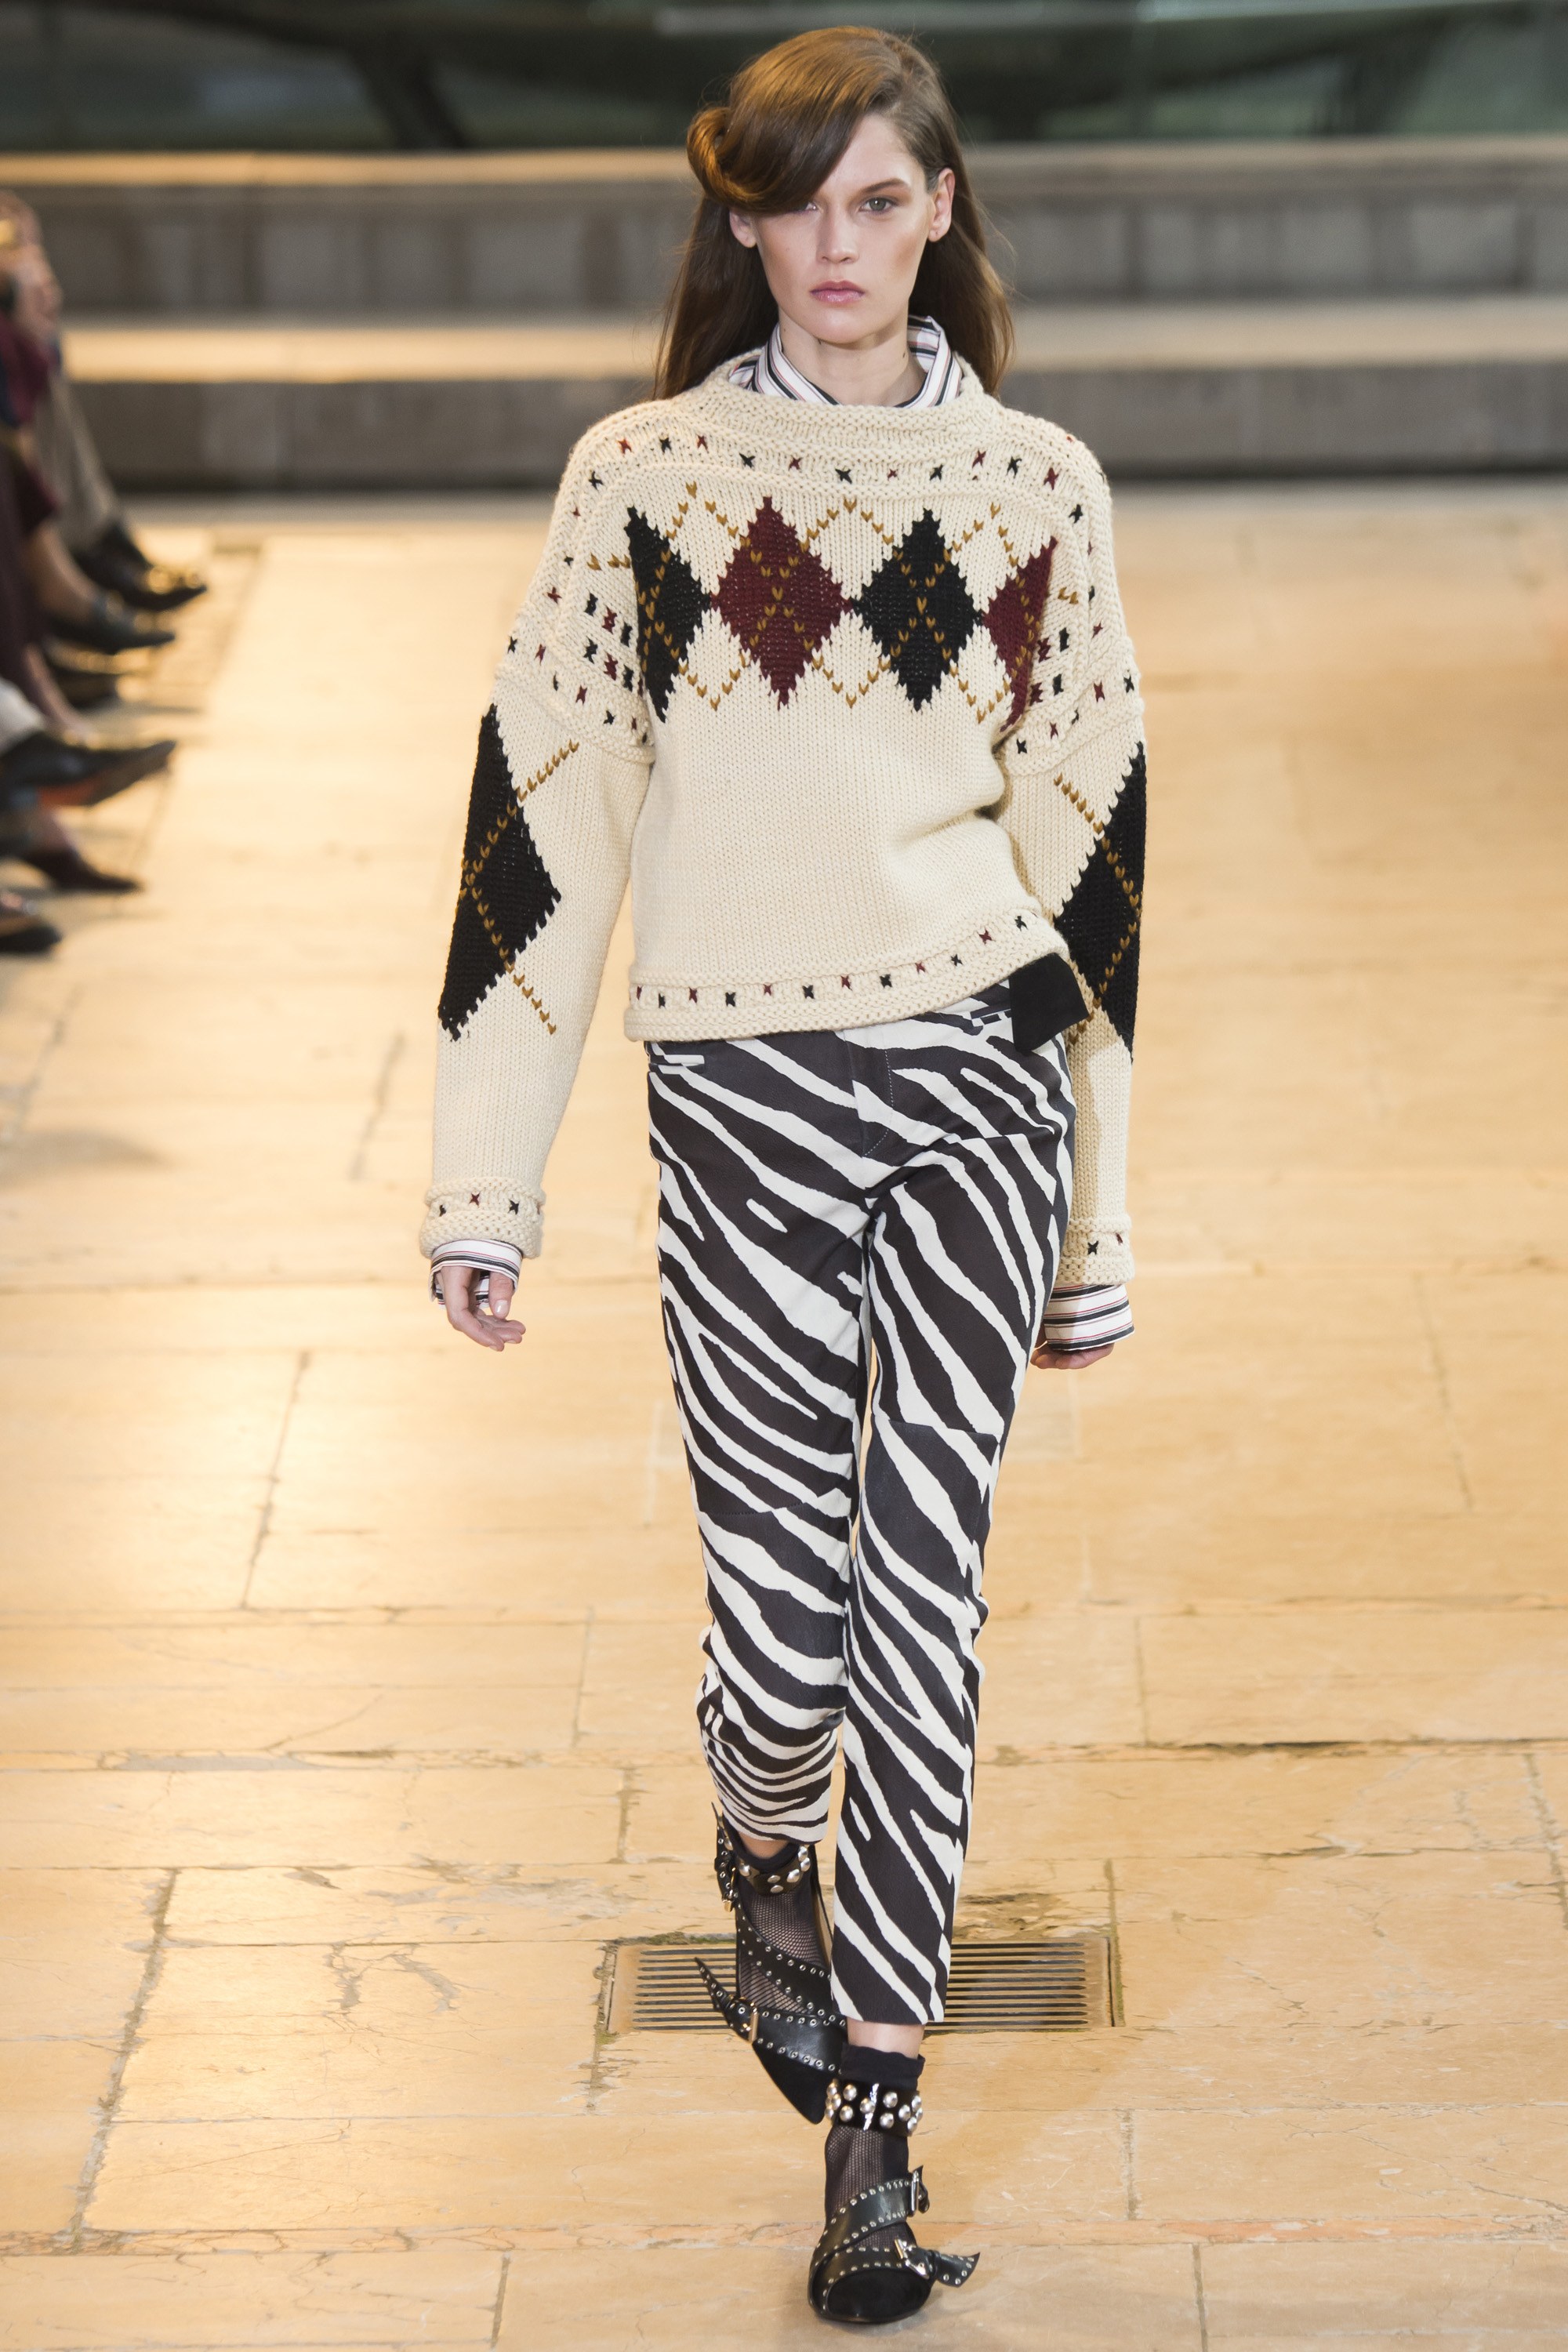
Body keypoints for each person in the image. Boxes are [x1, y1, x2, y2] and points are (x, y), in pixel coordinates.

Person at [424, 27, 1145, 2326]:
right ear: (738, 218)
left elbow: (1093, 871)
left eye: (878, 200)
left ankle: (876, 2136)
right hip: (740, 1095)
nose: (836, 247)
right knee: (788, 1624)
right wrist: (485, 1178)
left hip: (976, 1080)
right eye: (794, 203)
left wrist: (1097, 1218)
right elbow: (543, 824)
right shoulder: (641, 479)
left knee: (926, 1598)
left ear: (942, 210)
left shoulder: (1039, 488)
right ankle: (759, 1831)